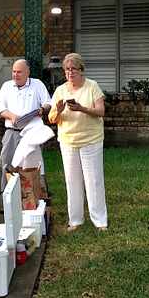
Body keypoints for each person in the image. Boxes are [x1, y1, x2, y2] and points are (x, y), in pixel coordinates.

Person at [48, 53, 108, 231]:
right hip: (68, 141)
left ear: (81, 70)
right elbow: (52, 118)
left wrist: (81, 108)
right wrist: (58, 111)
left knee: (94, 181)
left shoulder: (92, 86)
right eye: (67, 69)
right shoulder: (60, 90)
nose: (70, 72)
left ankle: (100, 221)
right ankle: (75, 220)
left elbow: (101, 111)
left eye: (74, 69)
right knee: (72, 181)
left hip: (91, 140)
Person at [0, 59, 51, 189]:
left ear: (28, 72)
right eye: (14, 72)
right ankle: (8, 202)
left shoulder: (37, 84)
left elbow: (49, 102)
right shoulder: (6, 86)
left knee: (33, 167)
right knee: (7, 166)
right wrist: (12, 116)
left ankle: (37, 201)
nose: (16, 75)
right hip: (11, 133)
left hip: (32, 133)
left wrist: (42, 110)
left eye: (19, 72)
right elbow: (1, 110)